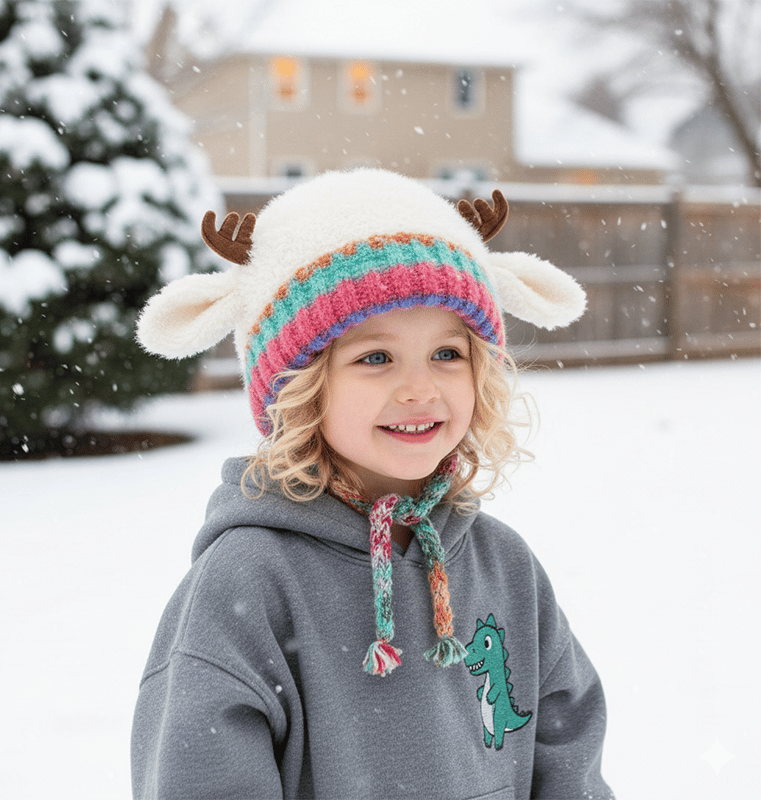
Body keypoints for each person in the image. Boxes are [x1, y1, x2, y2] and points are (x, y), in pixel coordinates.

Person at [132, 168, 614, 799]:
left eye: (448, 354)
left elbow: (567, 751)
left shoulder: (505, 567)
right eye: (375, 358)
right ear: (297, 391)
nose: (420, 388)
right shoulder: (248, 582)